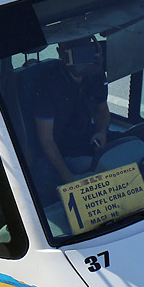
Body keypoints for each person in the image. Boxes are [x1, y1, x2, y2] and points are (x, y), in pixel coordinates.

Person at [28, 37, 111, 193]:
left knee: (131, 148)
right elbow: (46, 139)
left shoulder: (95, 73)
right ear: (61, 53)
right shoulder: (47, 83)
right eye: (74, 50)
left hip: (87, 141)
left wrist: (102, 132)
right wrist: (69, 178)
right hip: (62, 152)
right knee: (105, 170)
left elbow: (102, 110)